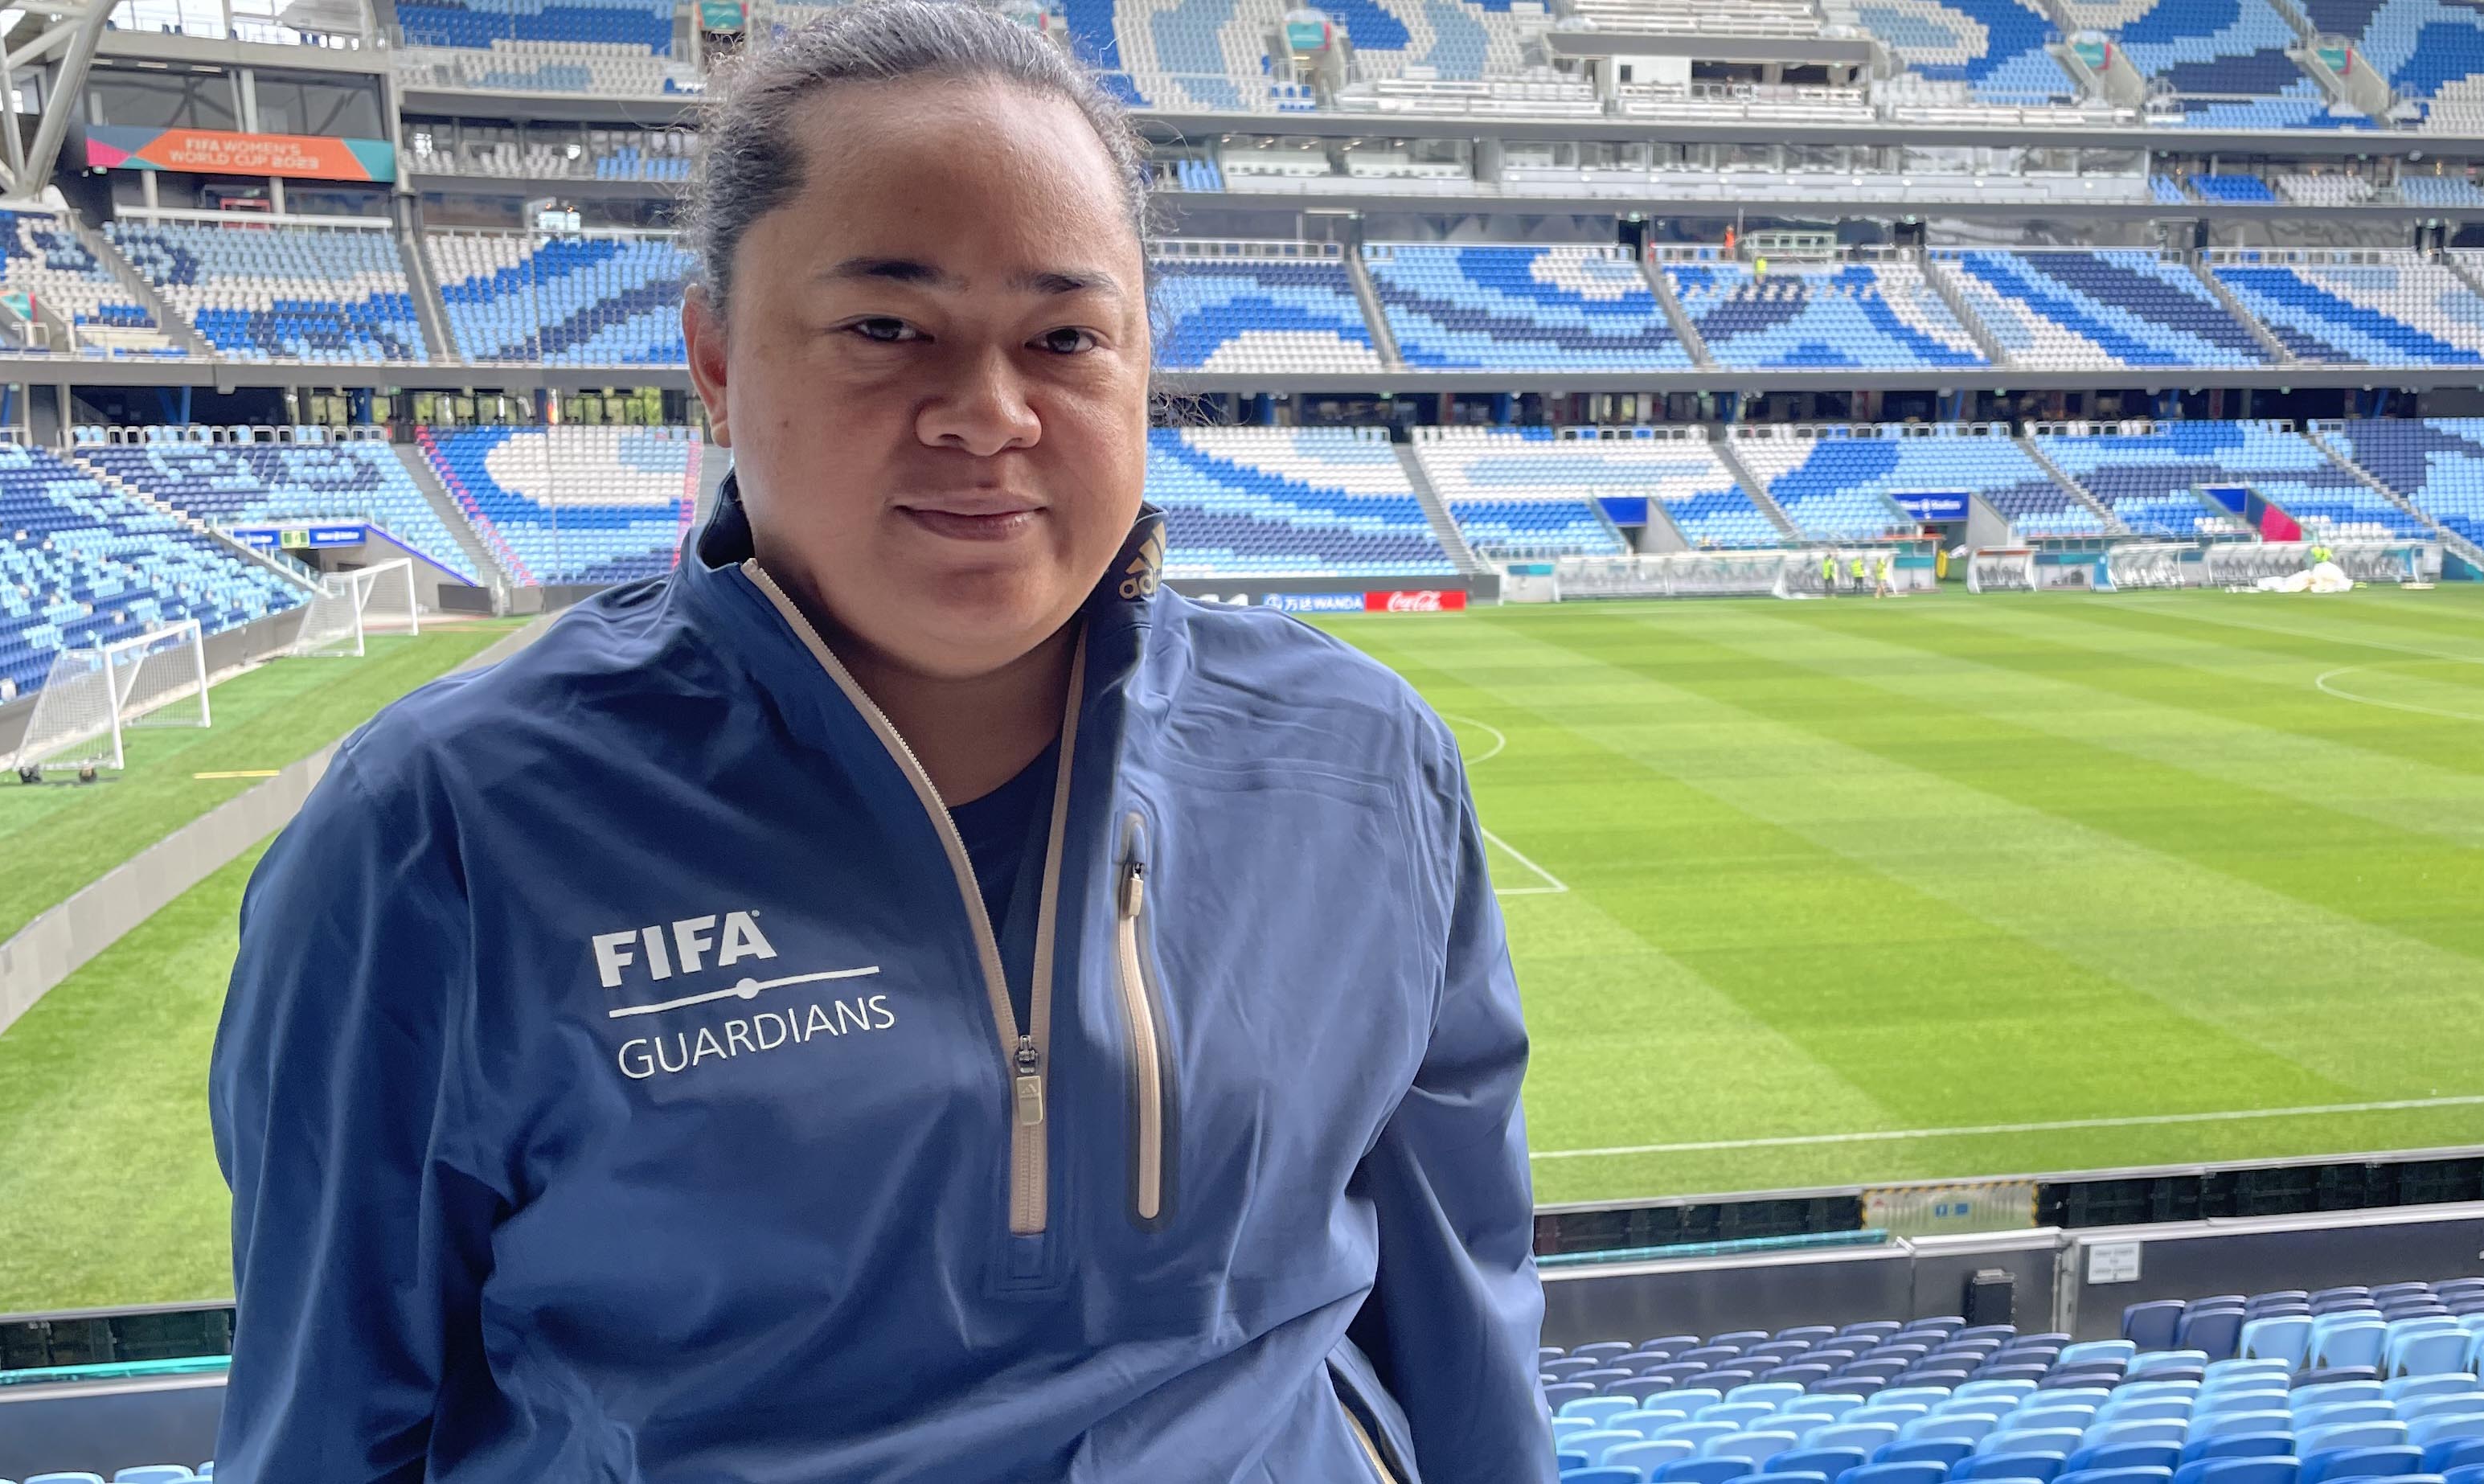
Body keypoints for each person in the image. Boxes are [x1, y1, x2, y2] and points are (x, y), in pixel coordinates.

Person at [206, 5, 1548, 1480]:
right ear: (715, 360)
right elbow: (331, 1429)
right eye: (886, 329)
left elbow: (1461, 1312)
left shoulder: (1363, 765)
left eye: (1065, 337)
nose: (987, 413)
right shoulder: (442, 834)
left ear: (1144, 364)